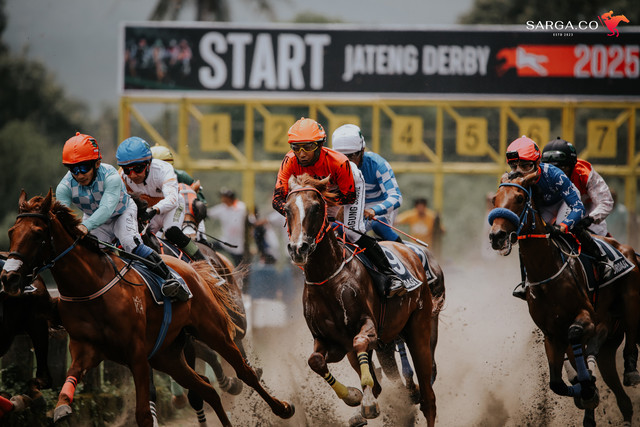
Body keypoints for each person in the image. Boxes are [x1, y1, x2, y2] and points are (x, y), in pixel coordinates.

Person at [272, 117, 404, 296]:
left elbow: (348, 197)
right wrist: (298, 212)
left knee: (351, 231)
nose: (301, 154)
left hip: (348, 190)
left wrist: (324, 210)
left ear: (320, 145)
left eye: (308, 147)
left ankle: (391, 275)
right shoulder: (289, 161)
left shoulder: (340, 162)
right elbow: (277, 200)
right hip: (325, 192)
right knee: (311, 230)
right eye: (296, 147)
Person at [56, 132, 187, 301]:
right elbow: (61, 215)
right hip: (95, 219)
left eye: (84, 168)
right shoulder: (64, 187)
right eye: (74, 169)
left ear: (97, 163)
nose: (79, 175)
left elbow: (107, 208)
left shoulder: (111, 176)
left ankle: (172, 279)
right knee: (85, 250)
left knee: (129, 242)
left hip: (121, 212)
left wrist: (85, 227)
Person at [506, 136, 612, 300]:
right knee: (527, 235)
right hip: (547, 205)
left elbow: (580, 206)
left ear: (537, 163)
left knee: (571, 227)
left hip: (568, 201)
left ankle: (602, 259)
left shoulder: (562, 174)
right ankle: (525, 281)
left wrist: (565, 225)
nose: (519, 171)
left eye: (525, 166)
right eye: (514, 166)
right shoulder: (512, 178)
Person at [116, 136, 207, 265]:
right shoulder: (120, 176)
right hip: (147, 211)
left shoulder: (164, 169)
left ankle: (204, 263)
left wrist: (154, 210)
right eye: (127, 170)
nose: (133, 175)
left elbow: (172, 199)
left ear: (149, 164)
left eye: (138, 169)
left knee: (172, 232)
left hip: (171, 207)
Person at [331, 124, 403, 243]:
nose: (346, 162)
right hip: (355, 208)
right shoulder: (332, 167)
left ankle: (403, 251)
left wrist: (374, 210)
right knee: (334, 227)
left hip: (378, 209)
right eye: (340, 157)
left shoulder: (378, 164)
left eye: (350, 156)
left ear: (362, 151)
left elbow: (396, 197)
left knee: (378, 226)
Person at [541, 137, 614, 238]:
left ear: (572, 166)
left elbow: (606, 202)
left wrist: (589, 219)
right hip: (557, 212)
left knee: (597, 241)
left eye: (562, 168)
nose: (556, 174)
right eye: (551, 169)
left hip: (587, 213)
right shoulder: (540, 174)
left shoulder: (585, 173)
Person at [150, 144, 208, 241]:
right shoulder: (140, 178)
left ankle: (202, 244)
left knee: (198, 234)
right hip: (156, 213)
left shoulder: (181, 176)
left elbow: (201, 200)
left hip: (182, 213)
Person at [207, 188, 247, 266]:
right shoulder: (222, 208)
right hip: (225, 241)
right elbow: (209, 213)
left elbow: (250, 221)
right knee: (207, 248)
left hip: (238, 244)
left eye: (223, 196)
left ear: (229, 197)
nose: (222, 198)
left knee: (239, 267)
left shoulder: (241, 207)